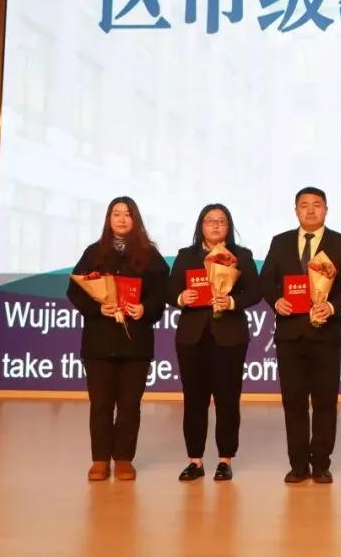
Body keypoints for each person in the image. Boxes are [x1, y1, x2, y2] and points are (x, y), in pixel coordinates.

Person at [260, 187, 341, 484]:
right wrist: (276, 300)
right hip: (290, 333)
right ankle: (298, 464)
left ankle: (321, 464)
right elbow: (266, 281)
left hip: (325, 333)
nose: (311, 210)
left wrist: (332, 306)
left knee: (325, 402)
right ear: (296, 211)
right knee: (294, 402)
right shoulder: (280, 242)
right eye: (304, 205)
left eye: (317, 205)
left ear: (326, 209)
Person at [65, 196, 169, 482]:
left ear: (135, 219)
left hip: (135, 342)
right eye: (116, 214)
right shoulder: (94, 252)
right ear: (108, 220)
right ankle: (100, 459)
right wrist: (96, 308)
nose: (122, 219)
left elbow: (162, 294)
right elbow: (74, 291)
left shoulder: (150, 255)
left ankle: (124, 458)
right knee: (100, 404)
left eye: (127, 214)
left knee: (129, 405)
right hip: (99, 341)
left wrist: (145, 309)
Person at [169, 203, 261, 482]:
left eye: (221, 221)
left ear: (229, 227)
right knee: (194, 400)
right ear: (201, 226)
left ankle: (225, 460)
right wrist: (181, 298)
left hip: (230, 336)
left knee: (227, 400)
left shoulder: (241, 256)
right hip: (192, 337)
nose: (216, 226)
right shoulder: (186, 256)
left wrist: (231, 301)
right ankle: (194, 461)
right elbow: (169, 290)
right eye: (210, 221)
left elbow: (255, 292)